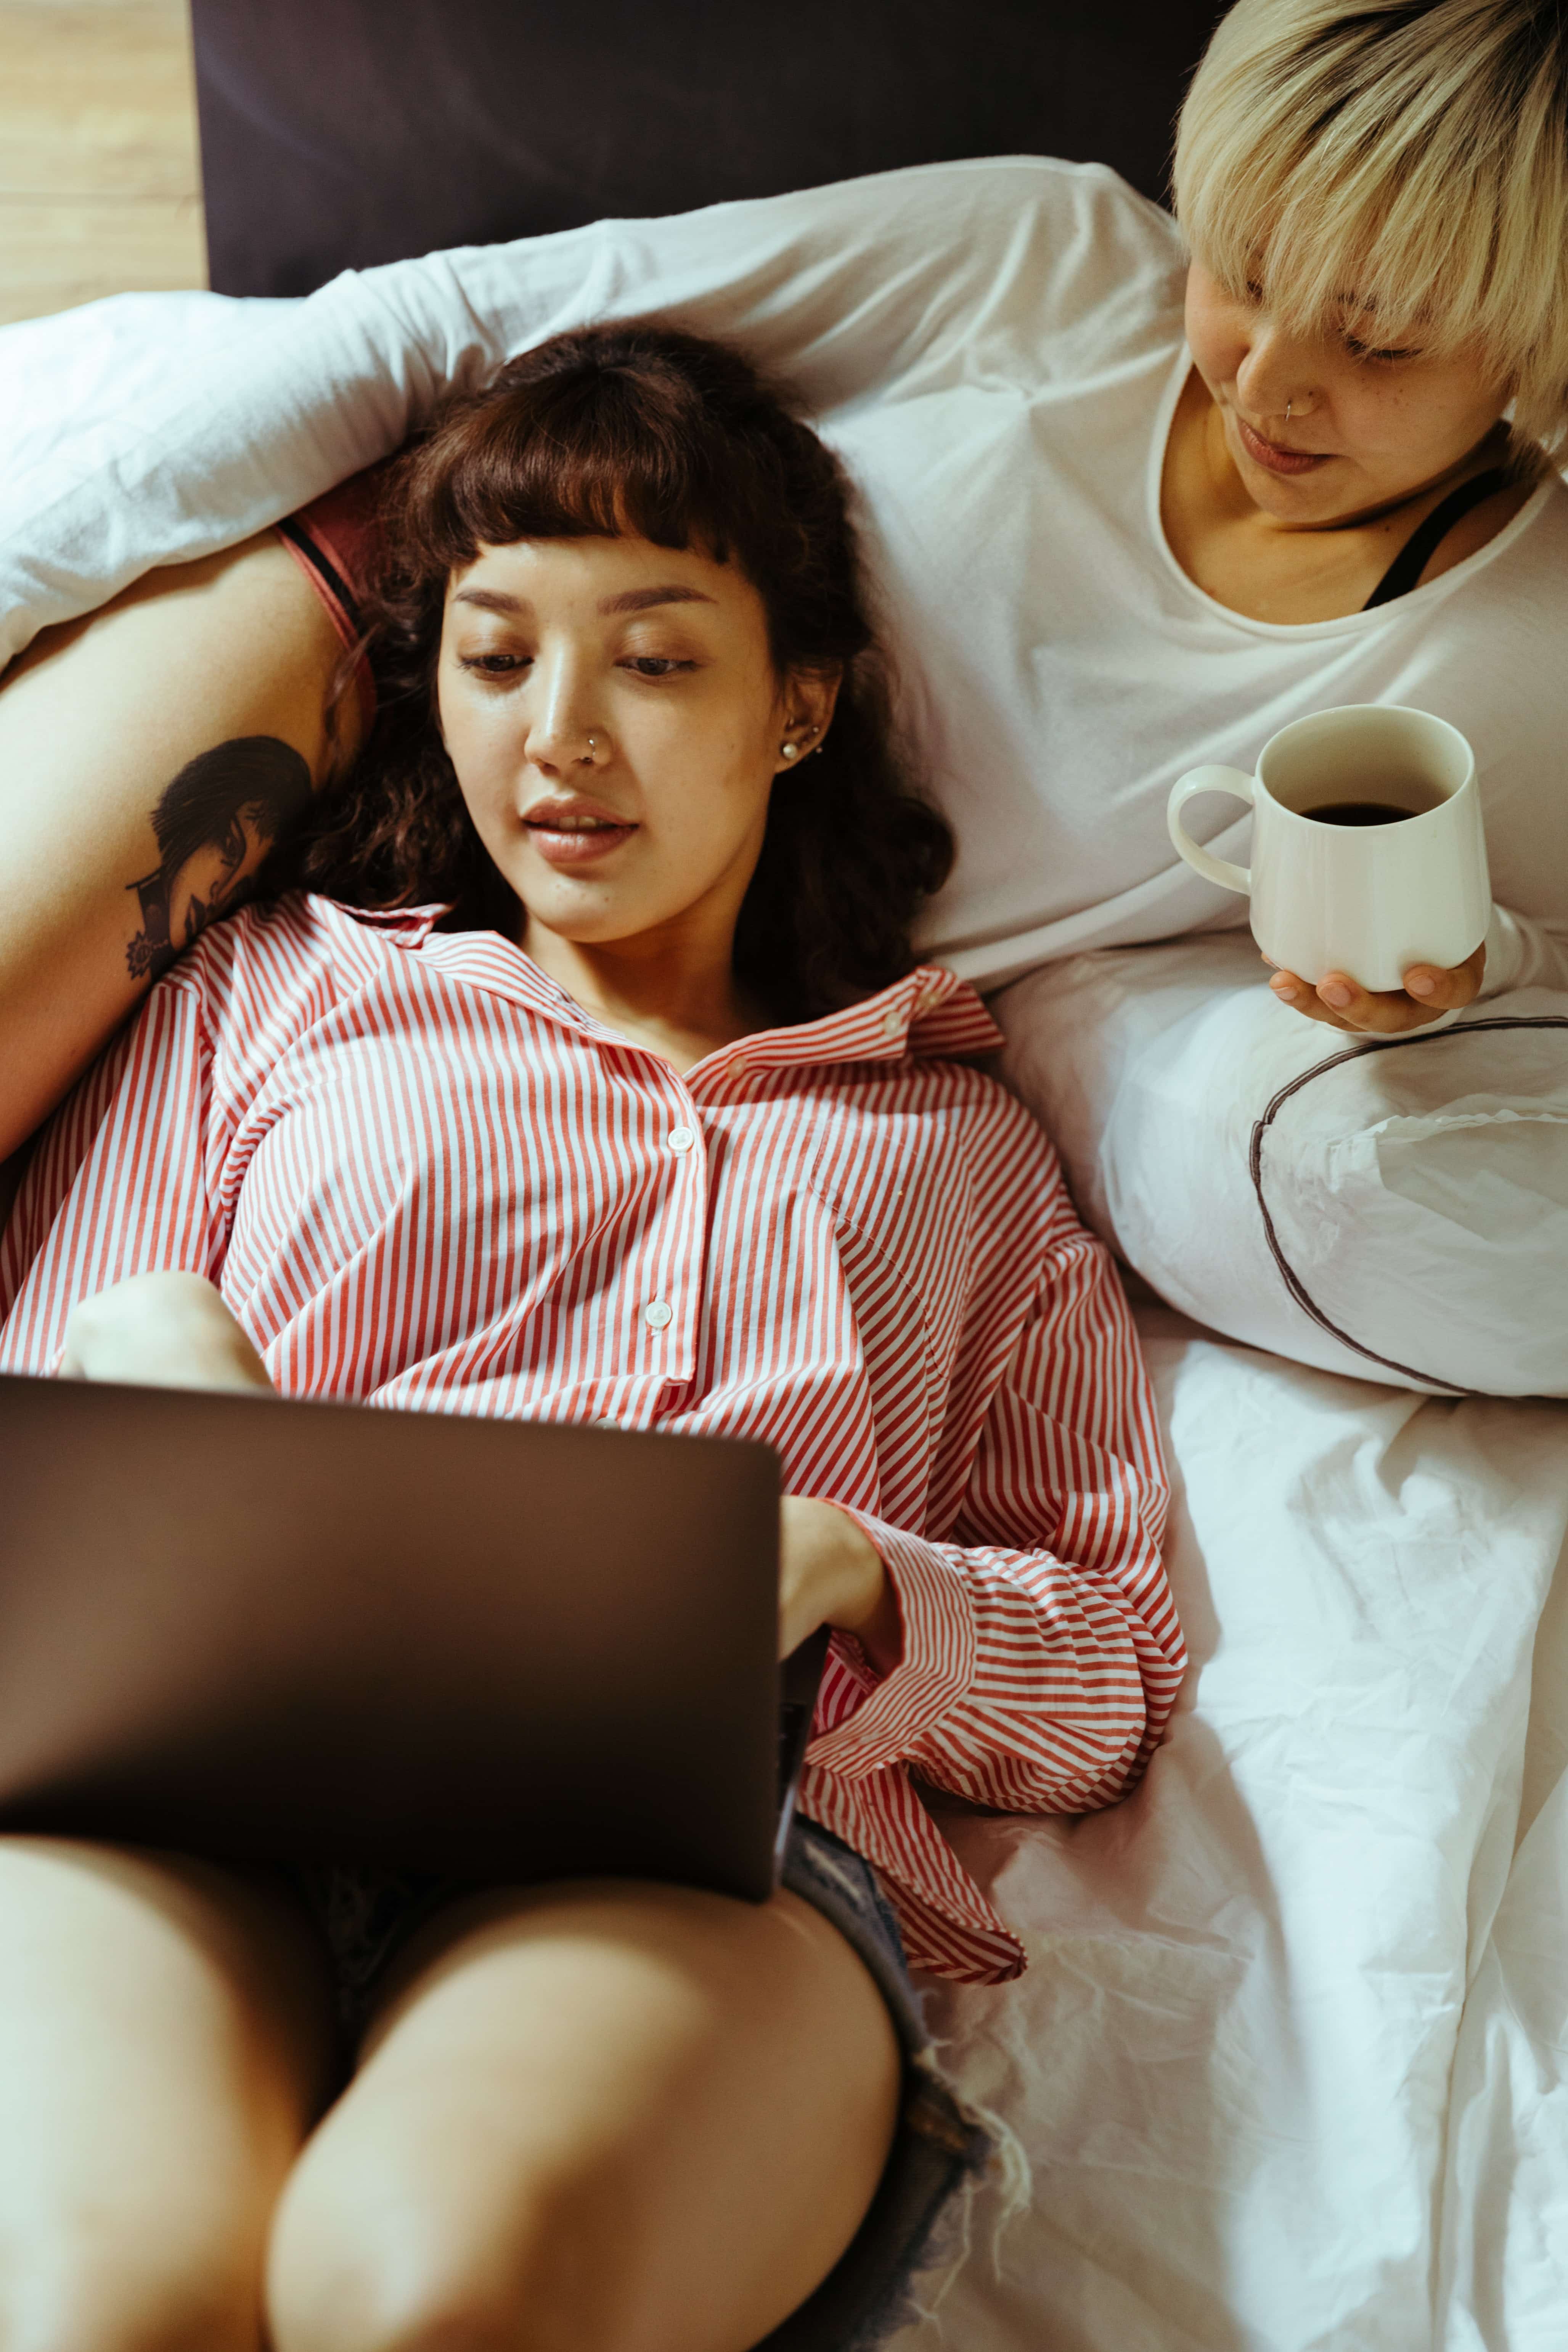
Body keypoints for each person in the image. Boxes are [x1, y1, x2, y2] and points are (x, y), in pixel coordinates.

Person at [0, 325, 1182, 2352]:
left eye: (652, 657)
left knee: (433, 2293)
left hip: (701, 1850)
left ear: (799, 705)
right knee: (105, 2301)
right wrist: (155, 1353)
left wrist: (862, 1577)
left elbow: (1113, 1659)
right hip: (204, 1789)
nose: (561, 737)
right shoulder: (268, 991)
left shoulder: (959, 1143)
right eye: (493, 653)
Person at [3, 0, 1568, 1183]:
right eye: (1238, 270)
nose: (1268, 381)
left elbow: (1524, 977)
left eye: (1375, 339)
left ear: (1531, 334)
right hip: (372, 655)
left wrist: (1464, 975)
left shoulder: (1517, 651)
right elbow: (448, 321)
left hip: (657, 993)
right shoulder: (1049, 260)